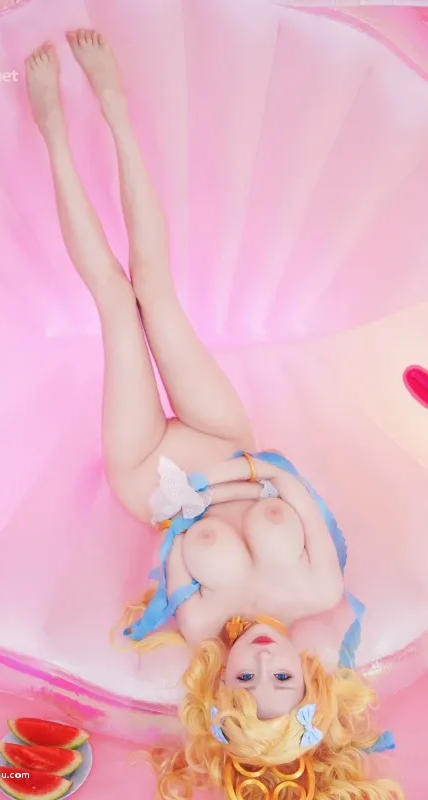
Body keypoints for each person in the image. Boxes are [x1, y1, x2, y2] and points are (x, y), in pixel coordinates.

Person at [25, 32, 403, 800]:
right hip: (228, 442)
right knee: (155, 287)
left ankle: (52, 129)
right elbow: (294, 489)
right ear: (309, 680)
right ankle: (114, 108)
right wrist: (240, 477)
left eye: (244, 681)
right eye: (280, 679)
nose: (260, 659)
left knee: (115, 301)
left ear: (219, 686)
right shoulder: (320, 591)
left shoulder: (199, 628)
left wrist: (195, 503)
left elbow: (172, 546)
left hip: (148, 473)